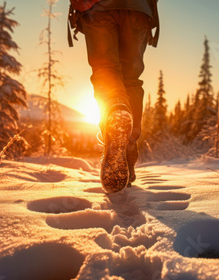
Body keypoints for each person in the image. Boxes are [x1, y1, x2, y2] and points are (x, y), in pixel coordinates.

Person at [68, 0, 159, 193]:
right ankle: (128, 153)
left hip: (98, 8)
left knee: (105, 70)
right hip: (139, 9)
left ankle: (116, 108)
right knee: (131, 80)